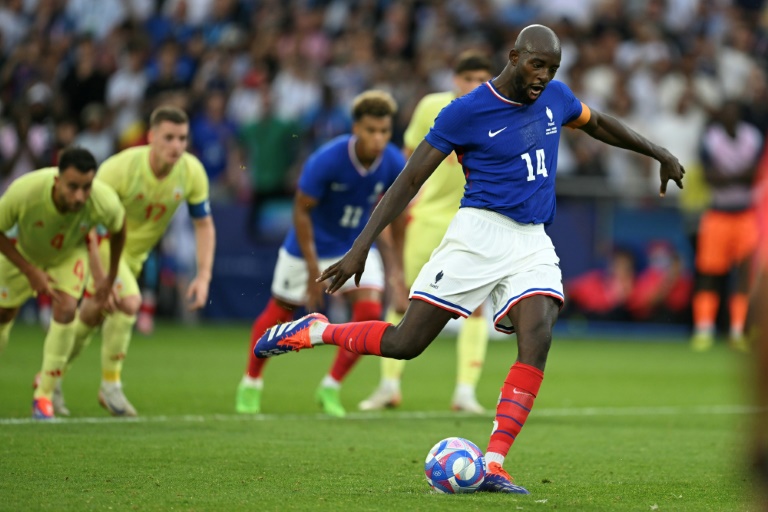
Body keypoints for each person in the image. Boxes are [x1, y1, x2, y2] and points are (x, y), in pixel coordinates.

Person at [252, 25, 685, 494]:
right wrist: (362, 246)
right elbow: (408, 180)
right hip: (478, 234)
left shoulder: (556, 97)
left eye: (553, 69)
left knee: (538, 333)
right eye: (537, 65)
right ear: (514, 56)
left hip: (533, 239)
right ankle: (315, 330)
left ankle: (494, 462)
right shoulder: (465, 112)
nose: (544, 76)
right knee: (405, 342)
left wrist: (657, 151)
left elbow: (597, 123)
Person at [236, 90, 405, 417]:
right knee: (280, 313)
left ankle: (331, 386)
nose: (379, 138)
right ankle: (250, 382)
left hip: (351, 248)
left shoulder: (394, 162)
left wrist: (396, 271)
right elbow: (301, 212)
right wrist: (315, 272)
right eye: (371, 130)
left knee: (370, 314)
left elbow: (394, 218)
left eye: (385, 131)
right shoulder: (326, 160)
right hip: (306, 249)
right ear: (355, 128)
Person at [359, 51, 494, 414]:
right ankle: (389, 385)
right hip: (428, 217)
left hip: (471, 223)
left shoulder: (496, 112)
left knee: (476, 307)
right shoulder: (431, 107)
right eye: (469, 79)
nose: (475, 85)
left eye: (483, 78)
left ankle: (465, 392)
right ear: (455, 79)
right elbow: (409, 164)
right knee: (401, 299)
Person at [61, 106, 216, 417]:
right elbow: (88, 226)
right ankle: (111, 386)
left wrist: (204, 276)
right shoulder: (119, 169)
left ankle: (51, 376)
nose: (177, 146)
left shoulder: (192, 171)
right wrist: (102, 275)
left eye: (182, 138)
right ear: (151, 137)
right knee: (130, 302)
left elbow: (203, 224)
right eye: (169, 137)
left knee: (92, 314)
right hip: (102, 249)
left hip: (134, 258)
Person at [0, 147, 126, 419]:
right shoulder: (25, 191)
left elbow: (119, 229)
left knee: (67, 309)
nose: (80, 196)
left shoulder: (103, 200)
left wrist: (109, 278)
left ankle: (44, 395)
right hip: (23, 253)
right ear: (57, 180)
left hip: (68, 255)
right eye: (72, 187)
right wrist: (29, 270)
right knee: (4, 313)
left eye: (86, 187)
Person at [689, 100, 762, 352]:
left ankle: (738, 331)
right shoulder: (711, 138)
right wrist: (739, 177)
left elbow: (755, 175)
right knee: (709, 273)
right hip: (718, 214)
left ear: (740, 115)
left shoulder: (753, 137)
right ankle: (703, 330)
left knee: (744, 274)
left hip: (745, 214)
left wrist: (727, 176)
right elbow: (709, 178)